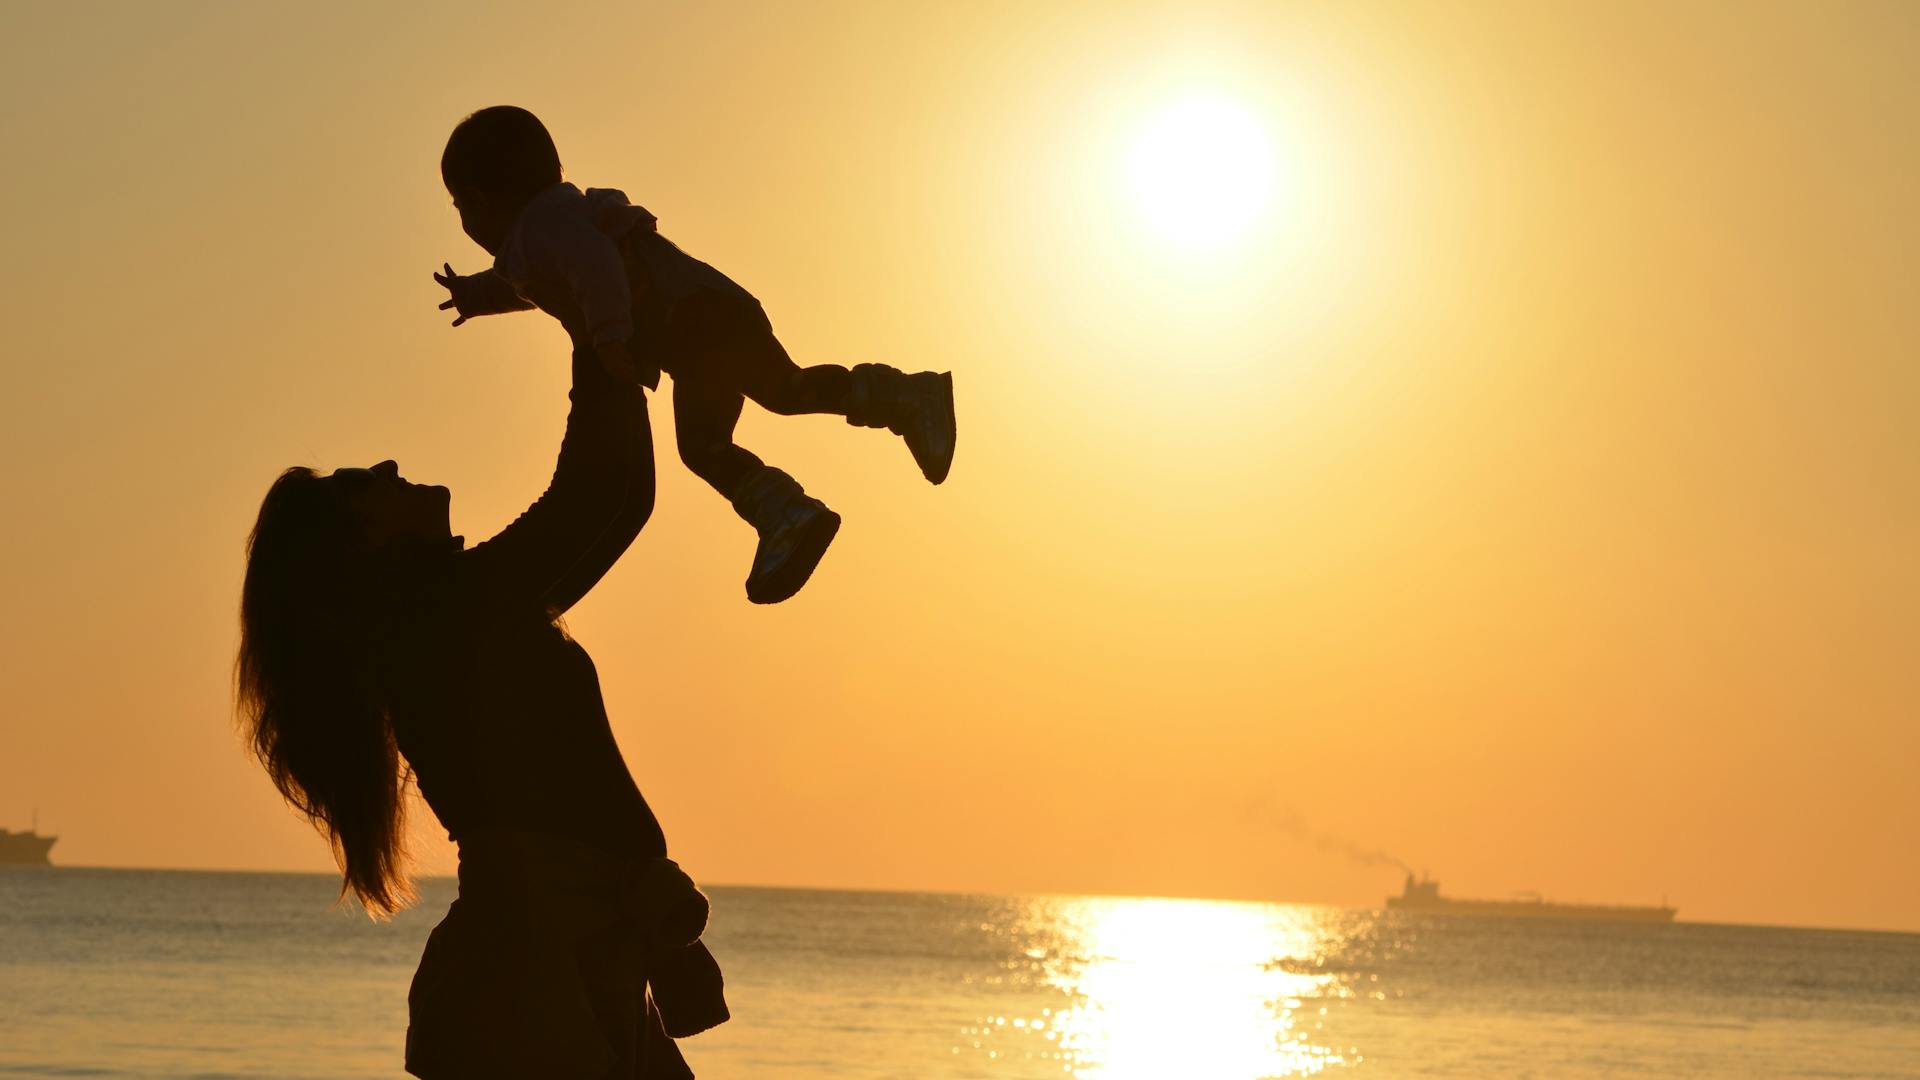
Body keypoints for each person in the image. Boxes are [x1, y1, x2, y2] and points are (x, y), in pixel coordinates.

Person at [237, 342, 721, 1079]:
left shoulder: (457, 609)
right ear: (359, 547)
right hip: (535, 971)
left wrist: (606, 337)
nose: (390, 467)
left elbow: (620, 504)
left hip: (563, 959)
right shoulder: (450, 614)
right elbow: (597, 498)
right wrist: (594, 323)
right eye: (365, 484)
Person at [432, 104, 957, 604]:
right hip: (701, 323)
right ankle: (884, 415)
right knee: (778, 395)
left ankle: (795, 506)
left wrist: (610, 336)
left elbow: (593, 268)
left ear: (477, 201)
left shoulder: (545, 227)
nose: (464, 221)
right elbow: (526, 284)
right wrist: (474, 296)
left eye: (459, 208)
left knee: (724, 431)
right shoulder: (547, 230)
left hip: (696, 321)